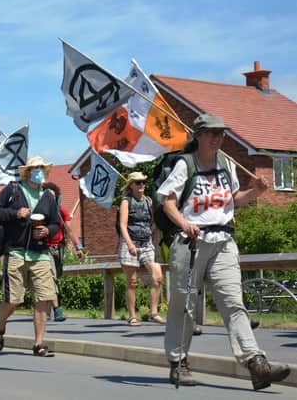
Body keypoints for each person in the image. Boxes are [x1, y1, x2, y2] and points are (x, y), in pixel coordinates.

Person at [157, 113, 290, 390]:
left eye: (221, 133)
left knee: (233, 302)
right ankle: (178, 361)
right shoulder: (185, 164)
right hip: (190, 243)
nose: (217, 137)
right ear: (198, 135)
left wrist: (257, 192)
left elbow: (233, 201)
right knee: (184, 305)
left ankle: (256, 364)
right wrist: (185, 223)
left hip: (224, 240)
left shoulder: (227, 164)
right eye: (211, 133)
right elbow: (168, 202)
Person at [0, 156, 60, 357]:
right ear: (27, 172)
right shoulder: (14, 190)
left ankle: (38, 344)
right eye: (35, 168)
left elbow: (56, 223)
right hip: (16, 251)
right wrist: (15, 213)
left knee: (43, 298)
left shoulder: (48, 196)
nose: (39, 171)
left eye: (42, 168)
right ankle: (0, 325)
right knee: (14, 299)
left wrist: (48, 231)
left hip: (41, 254)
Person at [118, 172, 165, 326]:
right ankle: (132, 315)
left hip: (146, 243)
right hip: (130, 243)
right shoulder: (126, 201)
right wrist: (130, 244)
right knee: (132, 282)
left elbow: (152, 222)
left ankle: (153, 313)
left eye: (143, 182)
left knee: (157, 277)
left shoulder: (148, 201)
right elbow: (122, 225)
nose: (141, 185)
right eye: (137, 183)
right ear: (131, 185)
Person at [42, 182, 84, 322]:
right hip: (45, 249)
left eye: (52, 196)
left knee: (55, 276)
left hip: (59, 248)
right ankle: (57, 310)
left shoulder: (61, 212)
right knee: (51, 277)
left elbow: (69, 230)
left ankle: (46, 311)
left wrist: (78, 247)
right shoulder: (40, 213)